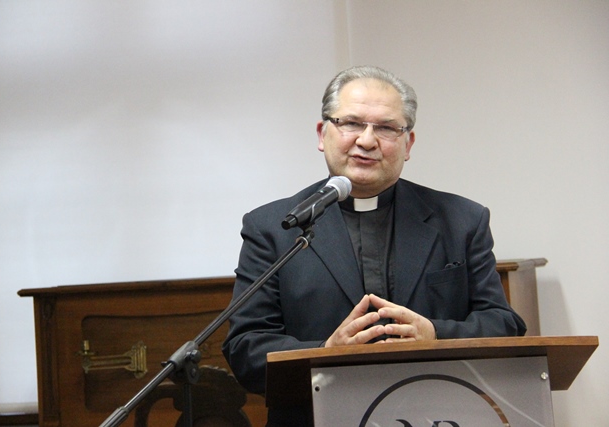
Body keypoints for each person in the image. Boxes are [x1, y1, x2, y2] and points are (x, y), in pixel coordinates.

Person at [222, 65, 526, 426]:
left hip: (438, 417)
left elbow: (504, 324)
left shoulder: (461, 220)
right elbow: (246, 349)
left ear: (408, 144)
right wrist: (325, 353)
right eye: (351, 123)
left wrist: (435, 335)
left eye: (386, 128)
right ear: (322, 134)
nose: (366, 141)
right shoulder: (274, 227)